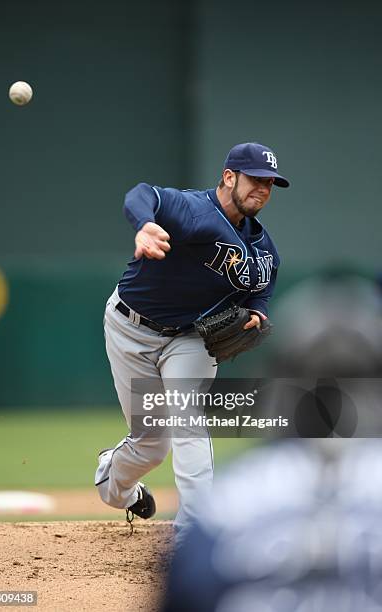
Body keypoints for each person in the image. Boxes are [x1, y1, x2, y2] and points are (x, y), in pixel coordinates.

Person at [94, 142, 290, 538]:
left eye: (269, 183)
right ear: (229, 177)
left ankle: (195, 531)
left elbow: (261, 293)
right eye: (255, 180)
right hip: (130, 326)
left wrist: (257, 313)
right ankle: (115, 486)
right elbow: (143, 194)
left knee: (188, 419)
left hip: (190, 339)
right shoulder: (195, 210)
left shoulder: (265, 250)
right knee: (152, 444)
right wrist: (144, 224)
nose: (263, 190)